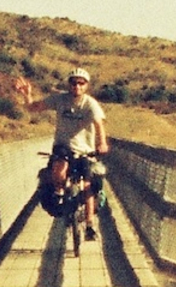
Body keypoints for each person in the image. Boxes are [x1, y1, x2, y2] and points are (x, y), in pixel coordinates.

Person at [14, 68, 109, 241]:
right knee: (60, 166)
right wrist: (27, 95)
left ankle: (89, 225)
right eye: (74, 82)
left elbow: (98, 124)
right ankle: (58, 193)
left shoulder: (90, 104)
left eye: (81, 83)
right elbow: (34, 108)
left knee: (87, 184)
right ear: (69, 84)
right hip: (63, 146)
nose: (77, 86)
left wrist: (101, 143)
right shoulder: (59, 99)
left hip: (84, 150)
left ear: (86, 86)